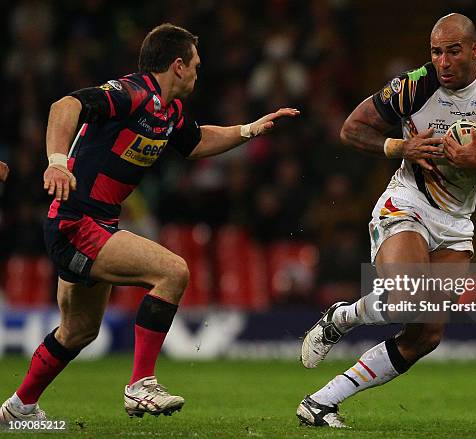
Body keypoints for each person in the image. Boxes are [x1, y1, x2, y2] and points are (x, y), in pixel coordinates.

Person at [0, 23, 299, 422]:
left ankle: (20, 408)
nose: (197, 72)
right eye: (195, 64)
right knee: (173, 272)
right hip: (77, 222)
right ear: (177, 65)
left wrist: (248, 130)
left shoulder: (168, 110)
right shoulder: (131, 93)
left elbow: (195, 142)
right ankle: (141, 385)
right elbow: (64, 106)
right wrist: (56, 163)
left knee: (79, 330)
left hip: (92, 223)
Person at [297, 13, 476, 428]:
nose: (443, 62)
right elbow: (351, 129)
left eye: (453, 51)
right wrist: (401, 145)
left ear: (475, 49)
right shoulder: (415, 86)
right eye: (435, 52)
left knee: (425, 335)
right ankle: (342, 317)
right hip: (407, 203)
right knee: (407, 298)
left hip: (457, 222)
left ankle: (320, 403)